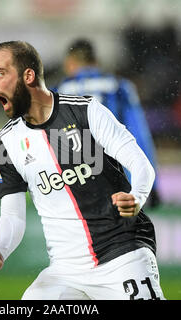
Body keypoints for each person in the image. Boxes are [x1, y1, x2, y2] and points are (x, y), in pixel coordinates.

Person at [0, 41, 165, 300]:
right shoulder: (6, 142)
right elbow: (13, 215)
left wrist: (137, 196)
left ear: (28, 76)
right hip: (65, 272)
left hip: (122, 254)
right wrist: (1, 247)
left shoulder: (85, 111)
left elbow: (139, 162)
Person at [55, 38, 160, 207]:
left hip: (76, 181)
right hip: (116, 180)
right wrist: (151, 185)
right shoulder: (120, 87)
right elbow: (140, 136)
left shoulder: (57, 92)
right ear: (96, 62)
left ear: (70, 63)